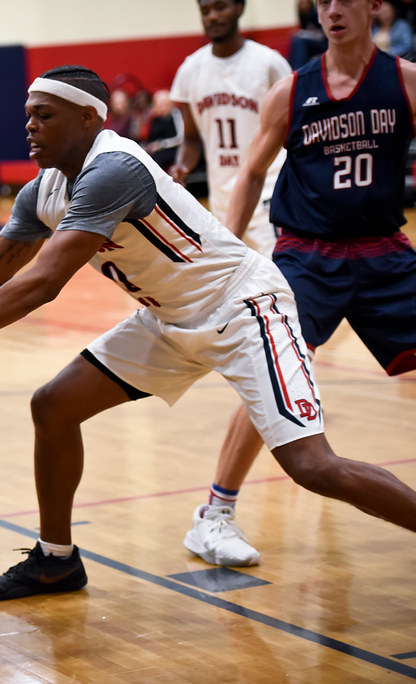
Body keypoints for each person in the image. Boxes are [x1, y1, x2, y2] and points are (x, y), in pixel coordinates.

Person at [0, 63, 416, 605]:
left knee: (312, 467)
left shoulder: (115, 168)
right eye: (27, 116)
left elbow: (40, 284)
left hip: (243, 307)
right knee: (54, 406)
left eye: (44, 115)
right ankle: (55, 561)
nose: (30, 127)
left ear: (87, 118)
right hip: (169, 320)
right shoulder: (43, 191)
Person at [186, 0, 416, 571]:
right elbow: (253, 173)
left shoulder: (406, 82)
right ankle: (214, 513)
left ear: (373, 7)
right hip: (308, 255)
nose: (333, 10)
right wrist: (230, 252)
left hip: (385, 251)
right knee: (276, 382)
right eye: (323, 1)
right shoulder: (291, 91)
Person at [168, 0, 292, 567]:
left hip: (277, 214)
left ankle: (226, 500)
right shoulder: (190, 71)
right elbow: (192, 140)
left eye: (220, 5)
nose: (211, 14)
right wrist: (179, 169)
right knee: (272, 349)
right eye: (203, 7)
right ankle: (220, 507)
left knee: (278, 345)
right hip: (224, 221)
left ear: (239, 8)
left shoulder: (268, 65)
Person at [141, 89, 182, 171]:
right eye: (159, 105)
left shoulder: (176, 114)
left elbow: (180, 138)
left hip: (172, 149)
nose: (162, 108)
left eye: (165, 104)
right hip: (153, 150)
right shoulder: (154, 118)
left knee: (155, 162)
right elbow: (147, 137)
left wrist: (161, 144)